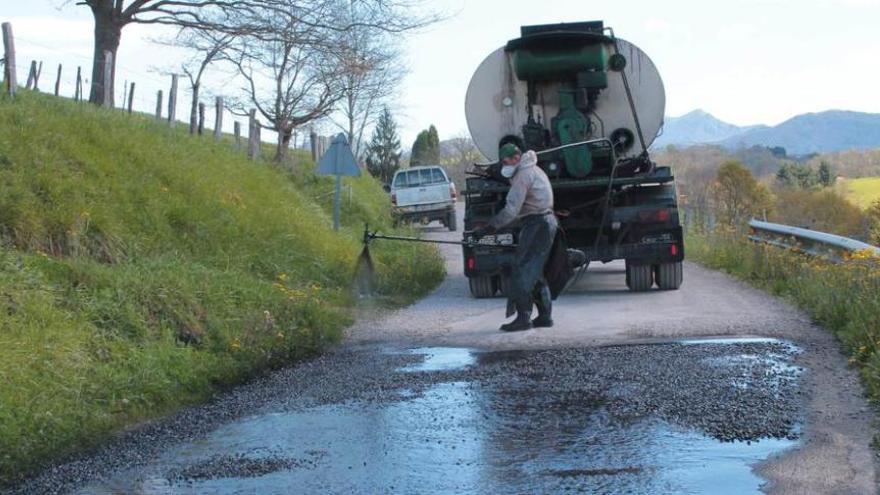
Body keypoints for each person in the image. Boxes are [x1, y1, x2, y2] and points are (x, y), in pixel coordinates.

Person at [475, 143, 557, 331]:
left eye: (507, 160)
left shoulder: (523, 175)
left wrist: (489, 227)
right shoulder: (533, 169)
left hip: (537, 223)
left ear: (516, 158)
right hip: (545, 221)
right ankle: (545, 316)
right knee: (535, 270)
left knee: (523, 269)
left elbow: (512, 210)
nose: (505, 164)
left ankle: (523, 318)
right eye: (502, 162)